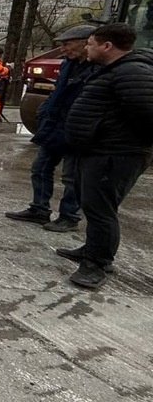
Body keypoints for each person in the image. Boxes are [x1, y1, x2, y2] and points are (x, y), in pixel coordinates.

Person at [56, 23, 153, 288]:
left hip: (115, 155)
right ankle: (93, 249)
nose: (87, 47)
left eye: (90, 43)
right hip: (100, 151)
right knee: (93, 205)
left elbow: (147, 115)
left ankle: (96, 265)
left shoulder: (133, 72)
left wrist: (113, 138)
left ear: (106, 46)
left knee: (101, 210)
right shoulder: (116, 71)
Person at [5, 25, 96, 232]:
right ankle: (39, 209)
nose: (63, 49)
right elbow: (58, 92)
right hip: (55, 125)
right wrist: (45, 110)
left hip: (78, 128)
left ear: (86, 42)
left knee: (72, 176)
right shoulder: (68, 65)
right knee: (40, 167)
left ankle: (69, 216)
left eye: (67, 44)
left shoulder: (98, 69)